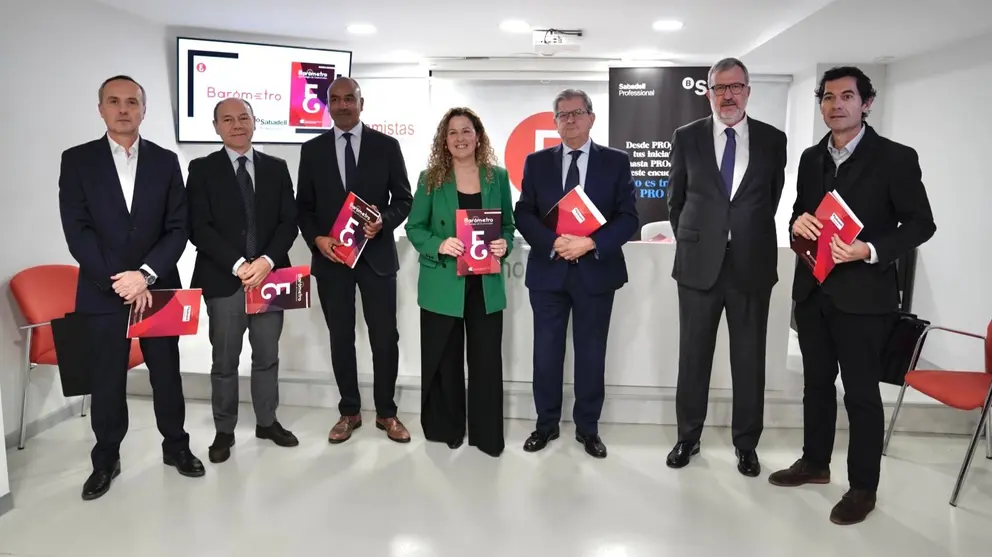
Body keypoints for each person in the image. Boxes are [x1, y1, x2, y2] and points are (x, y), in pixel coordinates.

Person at [768, 66, 936, 525]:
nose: (836, 104)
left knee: (861, 394)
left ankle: (863, 487)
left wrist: (871, 249)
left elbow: (922, 224)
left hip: (864, 297)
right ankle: (815, 463)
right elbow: (804, 214)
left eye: (847, 96)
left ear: (866, 103)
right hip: (813, 292)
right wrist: (796, 221)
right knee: (816, 386)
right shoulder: (809, 157)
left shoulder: (896, 158)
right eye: (828, 97)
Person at [58, 75, 205, 501]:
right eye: (114, 101)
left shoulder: (165, 161)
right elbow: (77, 230)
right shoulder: (77, 160)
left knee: (166, 374)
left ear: (144, 109)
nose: (123, 109)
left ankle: (176, 447)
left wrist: (146, 274)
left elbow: (178, 228)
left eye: (132, 102)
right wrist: (119, 279)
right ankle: (105, 460)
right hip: (103, 291)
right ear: (100, 108)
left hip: (157, 289)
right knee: (106, 379)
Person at [665, 57, 788, 476]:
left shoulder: (773, 139)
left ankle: (746, 445)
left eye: (735, 87)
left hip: (751, 265)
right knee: (692, 357)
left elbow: (770, 198)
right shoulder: (687, 137)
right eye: (719, 88)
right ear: (709, 93)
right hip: (698, 266)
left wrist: (740, 233)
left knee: (749, 360)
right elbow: (676, 201)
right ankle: (688, 438)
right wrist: (701, 238)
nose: (728, 95)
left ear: (748, 91)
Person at [513, 89, 639, 459]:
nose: (570, 120)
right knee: (546, 353)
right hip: (549, 272)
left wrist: (589, 244)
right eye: (562, 114)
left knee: (590, 354)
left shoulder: (616, 162)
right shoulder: (537, 163)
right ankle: (546, 424)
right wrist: (554, 242)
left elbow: (629, 218)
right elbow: (524, 214)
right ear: (554, 122)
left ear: (591, 118)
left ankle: (588, 428)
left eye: (577, 113)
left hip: (596, 272)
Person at [296, 76, 414, 443]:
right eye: (336, 99)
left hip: (376, 258)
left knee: (384, 338)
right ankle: (349, 411)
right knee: (340, 338)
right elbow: (304, 207)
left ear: (362, 103)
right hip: (333, 260)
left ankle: (387, 413)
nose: (343, 105)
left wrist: (384, 221)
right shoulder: (312, 150)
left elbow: (404, 200)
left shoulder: (386, 146)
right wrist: (317, 239)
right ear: (327, 105)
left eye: (350, 98)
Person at [187, 98, 300, 464]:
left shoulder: (277, 168)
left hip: (271, 278)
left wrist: (266, 261)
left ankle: (267, 421)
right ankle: (224, 430)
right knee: (225, 359)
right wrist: (238, 264)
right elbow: (198, 227)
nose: (237, 125)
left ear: (255, 122)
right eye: (228, 119)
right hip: (225, 280)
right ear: (216, 127)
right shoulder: (201, 169)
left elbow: (289, 222)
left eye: (244, 118)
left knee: (267, 355)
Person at [404, 107, 515, 457]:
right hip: (443, 282)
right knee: (446, 361)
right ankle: (448, 428)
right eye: (452, 133)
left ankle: (486, 435)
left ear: (477, 136)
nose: (460, 138)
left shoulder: (497, 177)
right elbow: (414, 228)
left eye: (466, 131)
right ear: (444, 140)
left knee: (485, 361)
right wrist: (438, 244)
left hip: (484, 282)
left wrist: (504, 244)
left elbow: (509, 226)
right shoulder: (430, 178)